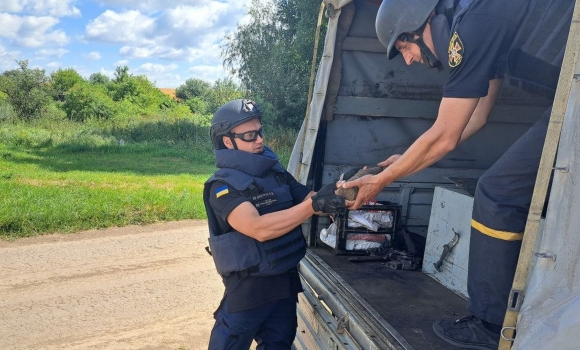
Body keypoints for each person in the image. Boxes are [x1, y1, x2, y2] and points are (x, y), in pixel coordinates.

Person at [343, 0, 573, 348]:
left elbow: (445, 136)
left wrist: (380, 180)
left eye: (404, 46)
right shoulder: (482, 20)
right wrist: (404, 160)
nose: (409, 59)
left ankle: (489, 325)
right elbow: (476, 115)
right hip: (571, 96)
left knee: (498, 192)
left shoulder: (471, 26)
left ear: (423, 23)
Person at [203, 99, 345, 349]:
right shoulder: (222, 186)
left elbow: (307, 196)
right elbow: (258, 228)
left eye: (260, 132)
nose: (259, 140)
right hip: (248, 292)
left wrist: (339, 193)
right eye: (249, 135)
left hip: (284, 285)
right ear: (228, 141)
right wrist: (314, 207)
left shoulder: (274, 171)